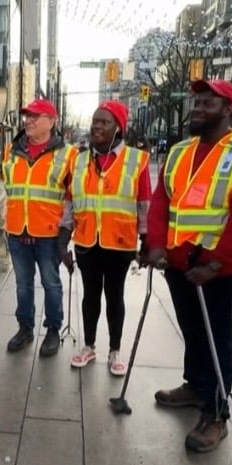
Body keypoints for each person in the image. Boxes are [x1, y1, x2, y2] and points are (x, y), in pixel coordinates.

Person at [143, 79, 232, 452]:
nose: (197, 109)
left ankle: (216, 413)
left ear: (228, 109)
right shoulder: (180, 151)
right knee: (193, 332)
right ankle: (195, 386)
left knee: (217, 339)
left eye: (207, 104)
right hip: (179, 264)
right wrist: (155, 245)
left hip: (215, 271)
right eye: (196, 102)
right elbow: (161, 200)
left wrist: (215, 263)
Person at [67, 101, 152, 375]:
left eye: (104, 122)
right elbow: (70, 200)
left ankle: (115, 350)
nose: (97, 126)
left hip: (119, 243)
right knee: (90, 296)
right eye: (95, 121)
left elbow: (144, 204)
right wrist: (62, 236)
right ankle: (89, 346)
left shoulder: (136, 160)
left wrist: (146, 239)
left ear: (118, 128)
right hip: (86, 241)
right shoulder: (79, 160)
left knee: (115, 296)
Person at [2, 98, 77, 357]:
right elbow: (11, 190)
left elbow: (71, 198)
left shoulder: (69, 155)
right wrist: (16, 224)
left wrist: (64, 236)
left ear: (52, 121)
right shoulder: (11, 151)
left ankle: (53, 330)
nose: (29, 121)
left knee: (51, 284)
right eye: (27, 116)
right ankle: (25, 327)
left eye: (36, 116)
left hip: (48, 234)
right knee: (23, 284)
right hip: (16, 231)